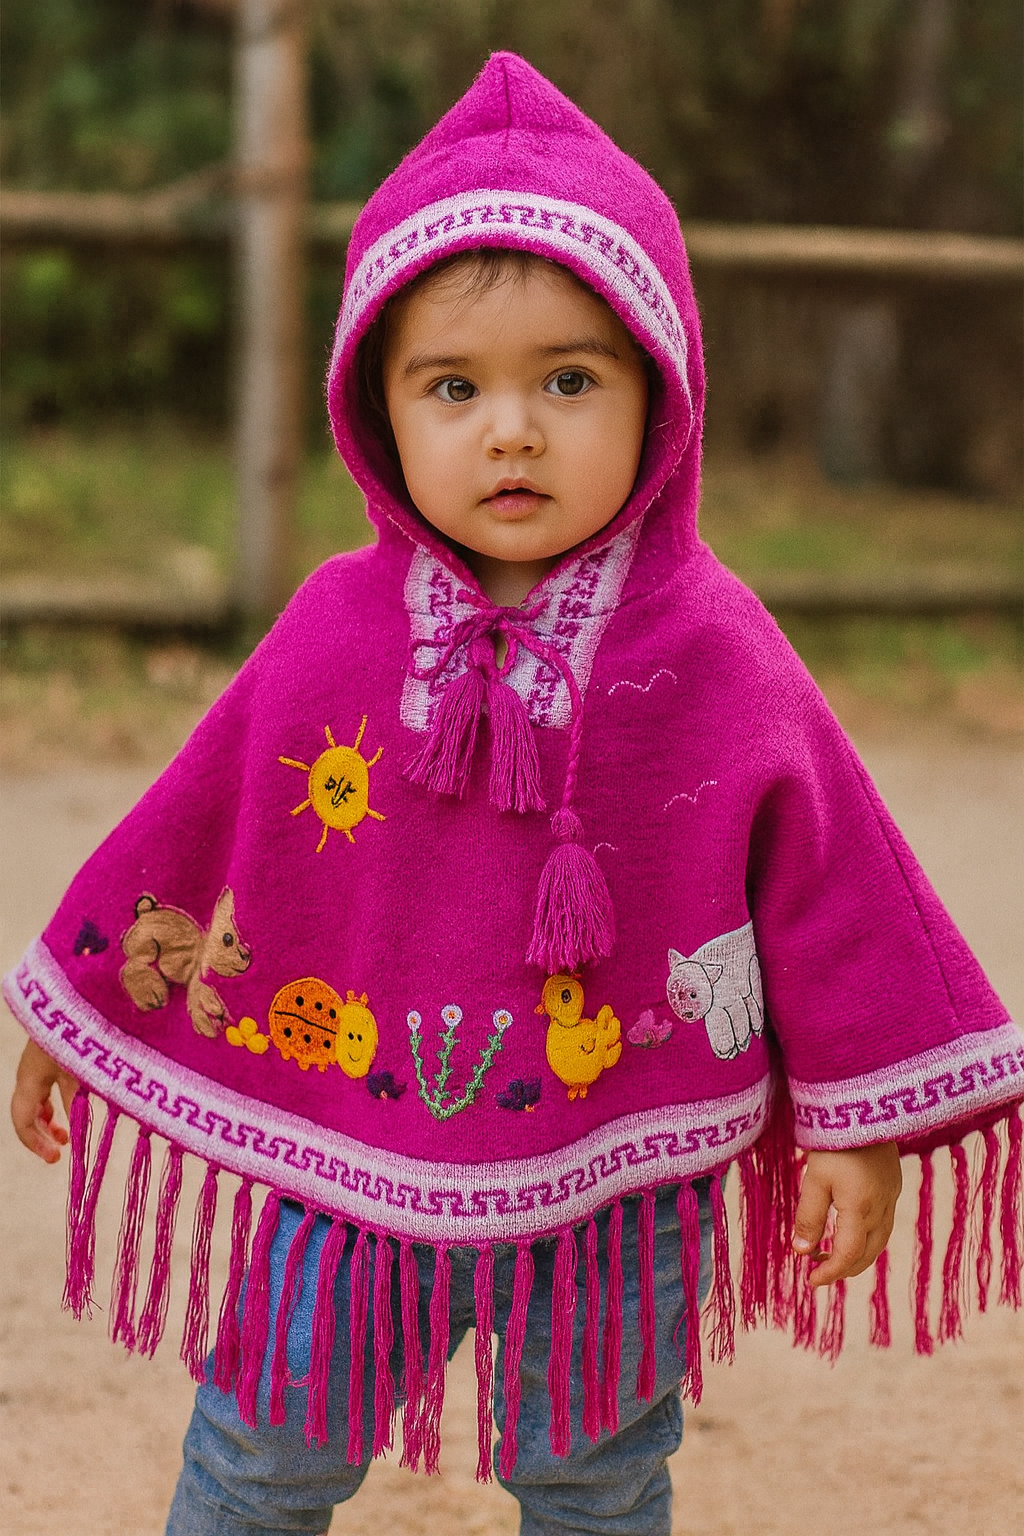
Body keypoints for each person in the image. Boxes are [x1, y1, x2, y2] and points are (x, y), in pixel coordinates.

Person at [7, 53, 1022, 1536]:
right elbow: (198, 815)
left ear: (659, 391)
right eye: (455, 386)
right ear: (379, 405)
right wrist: (79, 1013)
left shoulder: (715, 649)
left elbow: (833, 881)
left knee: (601, 1482)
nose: (512, 431)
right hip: (344, 1155)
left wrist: (854, 1123)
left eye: (569, 379)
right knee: (260, 1459)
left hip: (621, 1177)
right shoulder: (336, 634)